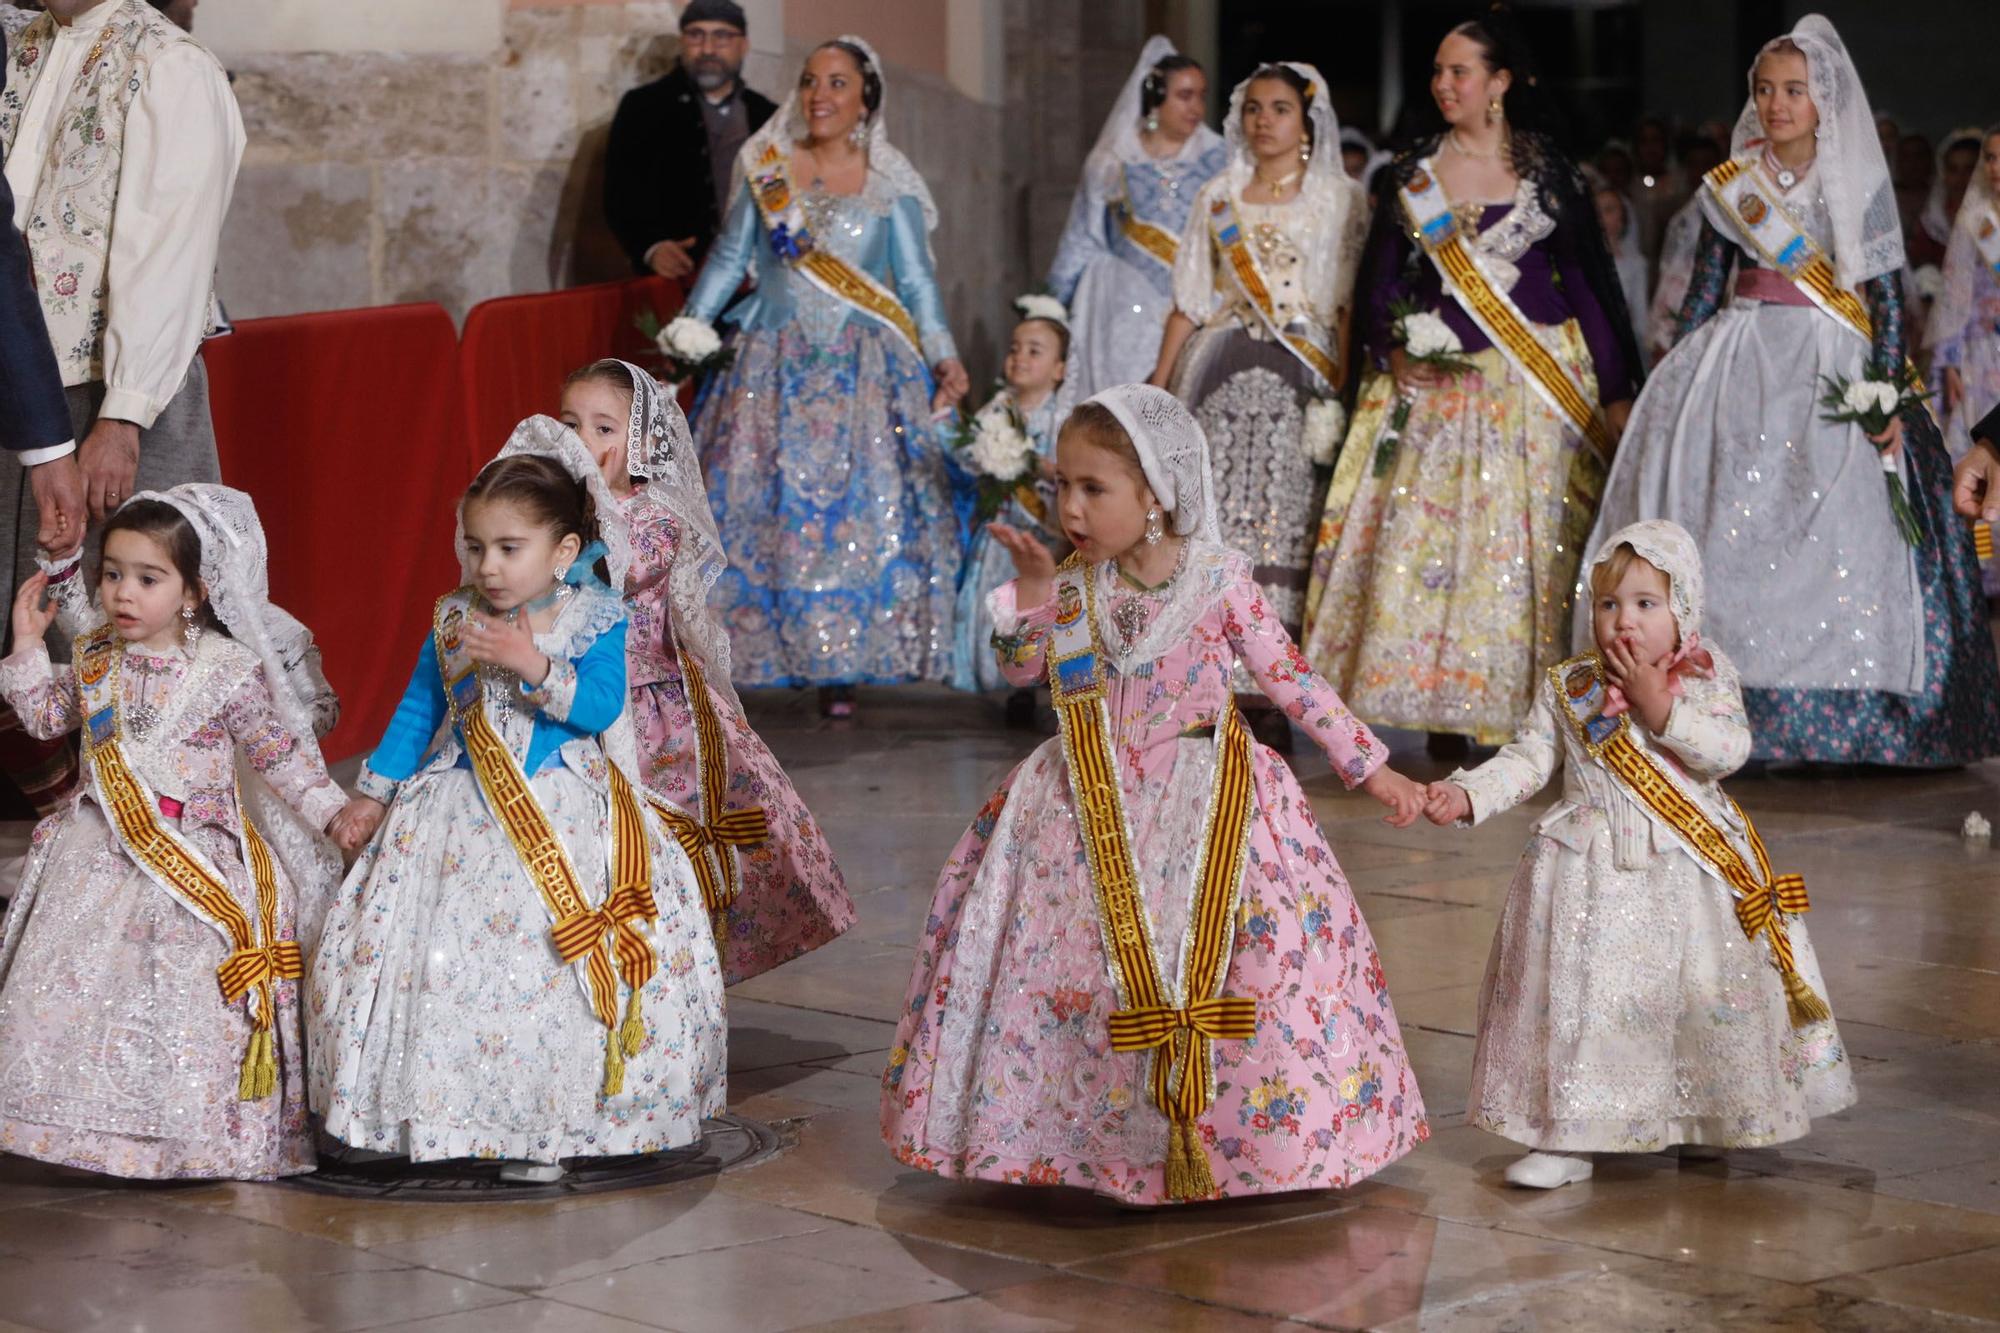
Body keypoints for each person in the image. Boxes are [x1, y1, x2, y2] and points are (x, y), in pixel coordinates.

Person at [881, 385, 1430, 1205]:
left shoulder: (1217, 582)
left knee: (1238, 963)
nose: (1069, 506)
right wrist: (1032, 590)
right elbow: (1022, 667)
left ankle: (1242, 1141)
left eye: (1092, 488)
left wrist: (1370, 765)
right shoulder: (1079, 583)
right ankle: (1074, 1138)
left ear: (1156, 494)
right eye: (1061, 485)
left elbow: (1293, 681)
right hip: (1082, 800)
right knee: (1074, 962)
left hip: (1207, 800)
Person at [309, 419, 727, 1184]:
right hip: (457, 807)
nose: (488, 567)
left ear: (564, 551)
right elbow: (417, 709)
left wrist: (534, 662)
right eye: (476, 547)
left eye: (510, 548)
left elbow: (601, 707)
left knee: (543, 965)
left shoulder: (595, 616)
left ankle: (550, 1121)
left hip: (562, 807)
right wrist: (372, 794)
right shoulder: (453, 616)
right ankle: (446, 1111)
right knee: (445, 962)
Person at [1584, 16, 2000, 767]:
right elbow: (1708, 289)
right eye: (1766, 90)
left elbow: (1879, 300)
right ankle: (1713, 706)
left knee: (1839, 529)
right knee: (1729, 522)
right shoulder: (1730, 188)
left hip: (1832, 367)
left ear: (1822, 101)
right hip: (1740, 359)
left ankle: (1853, 715)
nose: (1778, 104)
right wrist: (1678, 382)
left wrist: (1883, 389)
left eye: (1794, 91)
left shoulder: (1858, 186)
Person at [1423, 521, 1854, 1189]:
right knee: (1587, 1003)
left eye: (1646, 604)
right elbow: (1531, 758)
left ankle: (1709, 1115)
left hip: (1691, 874)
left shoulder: (1707, 677)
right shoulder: (1569, 684)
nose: (1625, 620)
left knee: (1700, 997)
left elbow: (1729, 751)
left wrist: (1664, 711)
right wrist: (1468, 796)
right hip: (1588, 878)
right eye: (1609, 604)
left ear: (1682, 609)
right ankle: (1569, 1135)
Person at [1301, 15, 1640, 750]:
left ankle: (1530, 711)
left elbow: (1586, 283)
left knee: (1528, 551)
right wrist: (1391, 350)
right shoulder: (1412, 175)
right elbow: (1381, 281)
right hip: (1435, 389)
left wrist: (1617, 392)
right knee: (1428, 548)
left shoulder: (1546, 172)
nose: (1443, 84)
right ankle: (1442, 710)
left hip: (1534, 389)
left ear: (1500, 82)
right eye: (1437, 71)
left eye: (1459, 71)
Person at [0, 484, 344, 1179]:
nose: (124, 592)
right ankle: (78, 1130)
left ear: (193, 592)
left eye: (148, 578)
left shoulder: (227, 671)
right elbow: (42, 717)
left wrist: (336, 812)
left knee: (183, 999)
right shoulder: (97, 657)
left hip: (197, 861)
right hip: (98, 854)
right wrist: (28, 645)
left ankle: (188, 1138)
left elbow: (279, 755)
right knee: (76, 990)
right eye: (113, 573)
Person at [663, 36, 968, 718]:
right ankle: (757, 649)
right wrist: (689, 332)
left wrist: (943, 352)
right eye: (808, 81)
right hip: (770, 364)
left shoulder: (891, 184)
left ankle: (843, 662)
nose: (818, 95)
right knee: (762, 506)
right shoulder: (767, 170)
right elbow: (728, 258)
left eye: (836, 83)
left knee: (856, 508)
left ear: (866, 99)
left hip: (863, 371)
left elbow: (916, 284)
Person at [0, 0, 241, 819]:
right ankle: (64, 854)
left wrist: (125, 415)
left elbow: (170, 248)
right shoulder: (20, 43)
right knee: (34, 630)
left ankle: (175, 848)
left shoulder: (167, 63)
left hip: (112, 388)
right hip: (26, 384)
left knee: (136, 631)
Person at [559, 360, 855, 984]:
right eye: (569, 424)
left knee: (662, 841)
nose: (582, 440)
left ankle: (678, 980)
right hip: (567, 696)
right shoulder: (553, 512)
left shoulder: (654, 517)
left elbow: (619, 570)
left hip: (650, 706)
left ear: (639, 441)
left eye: (603, 427)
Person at [1149, 62, 1366, 681]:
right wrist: (1162, 385)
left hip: (1302, 374)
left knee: (1291, 517)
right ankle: (1205, 669)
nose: (1263, 121)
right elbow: (1190, 300)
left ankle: (1276, 681)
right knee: (1211, 514)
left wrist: (1343, 388)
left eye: (1279, 109)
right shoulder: (1217, 195)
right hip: (1218, 369)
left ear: (1306, 121)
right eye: (1253, 108)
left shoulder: (1340, 199)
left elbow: (1345, 306)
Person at [1046, 37, 1227, 403]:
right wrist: (1050, 307)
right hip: (1122, 307)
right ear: (1156, 97)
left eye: (1201, 96)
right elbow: (1084, 235)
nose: (1196, 107)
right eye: (1184, 95)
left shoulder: (1220, 160)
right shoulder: (1114, 161)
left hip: (1194, 303)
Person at [948, 295, 1072, 702]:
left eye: (1034, 352)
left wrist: (1039, 466)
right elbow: (968, 453)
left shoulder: (1063, 418)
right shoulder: (997, 408)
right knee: (999, 607)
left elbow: (1071, 471)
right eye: (1014, 349)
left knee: (1042, 608)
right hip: (1001, 534)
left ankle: (1044, 686)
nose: (1020, 358)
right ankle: (1008, 684)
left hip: (1045, 533)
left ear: (1060, 369)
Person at [604, 0, 775, 283]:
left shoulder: (767, 115)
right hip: (675, 281)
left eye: (722, 36)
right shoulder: (643, 107)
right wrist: (651, 247)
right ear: (683, 42)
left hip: (755, 282)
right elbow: (620, 195)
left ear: (743, 45)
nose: (708, 49)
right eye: (696, 35)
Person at [1927, 125, 2000, 596]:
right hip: (1983, 358)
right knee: (1979, 463)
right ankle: (1983, 574)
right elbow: (1954, 295)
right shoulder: (1977, 219)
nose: (1996, 168)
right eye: (1991, 158)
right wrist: (1950, 361)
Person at [1590, 169, 1650, 350]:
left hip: (1618, 343)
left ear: (1622, 218)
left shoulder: (1636, 264)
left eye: (1608, 210)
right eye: (1596, 211)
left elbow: (1640, 317)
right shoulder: (1579, 261)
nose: (1601, 217)